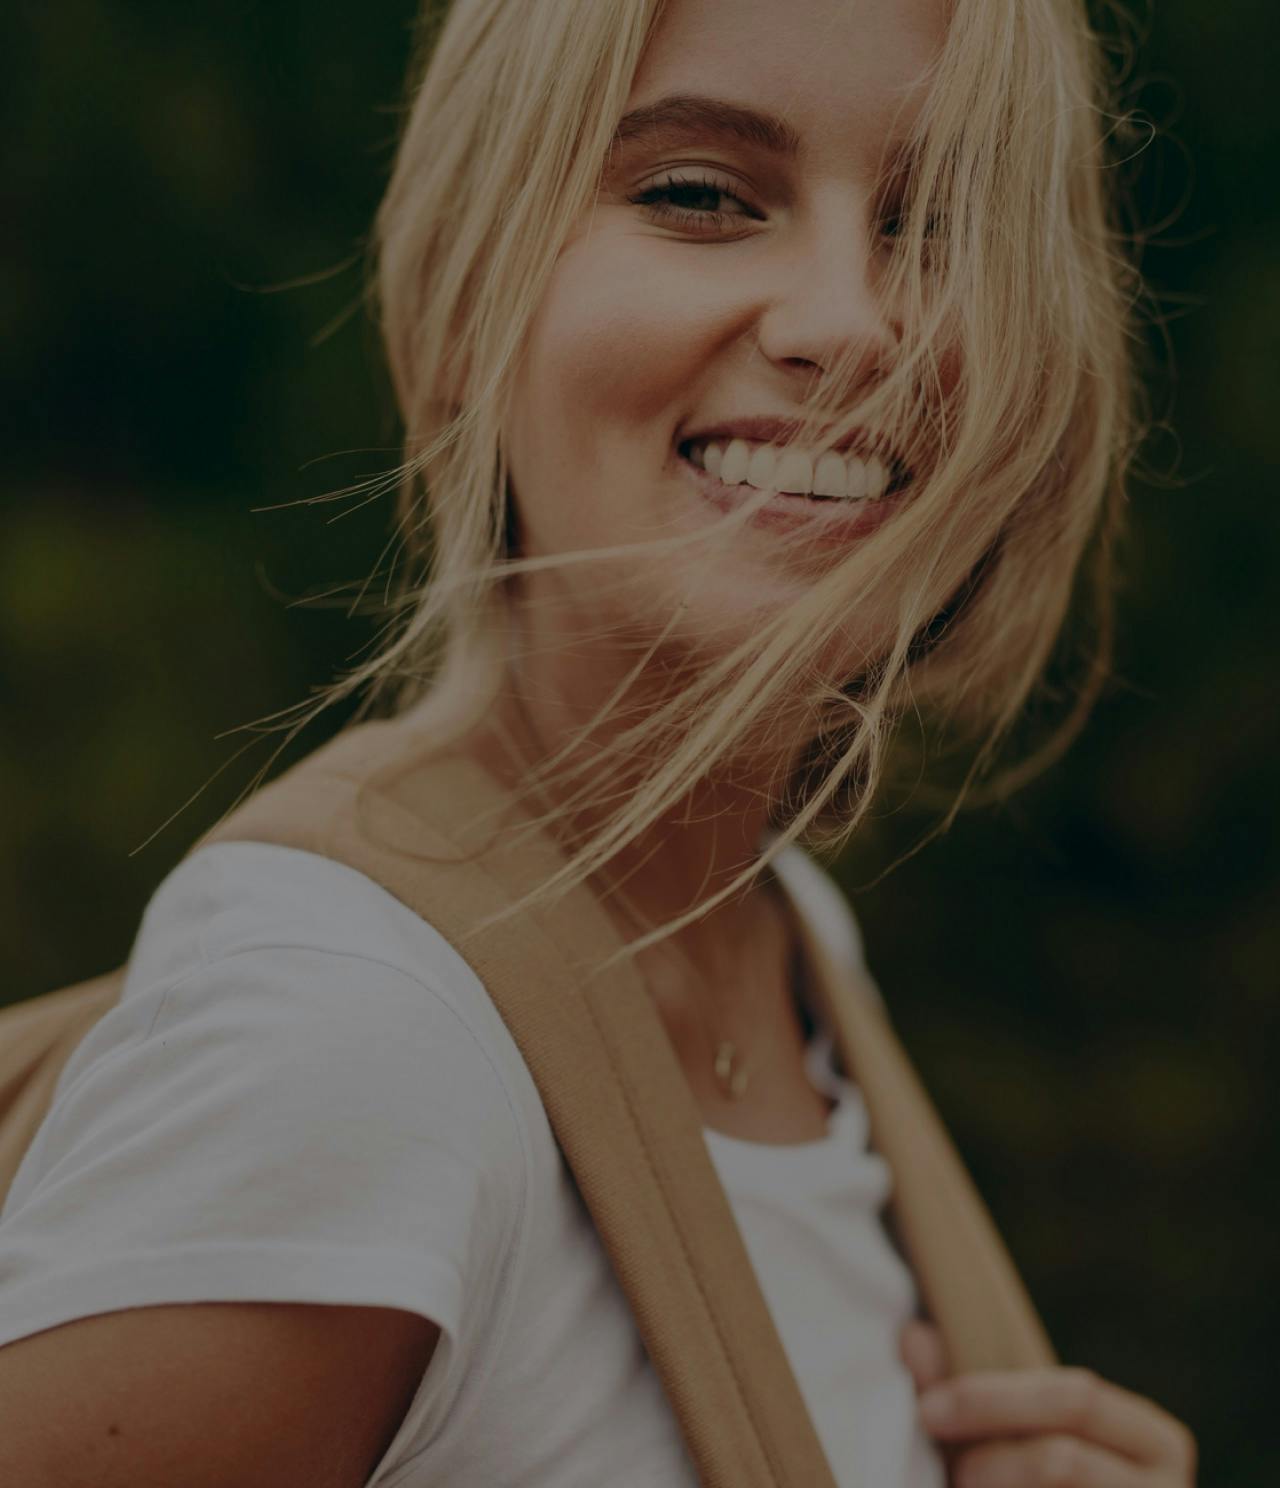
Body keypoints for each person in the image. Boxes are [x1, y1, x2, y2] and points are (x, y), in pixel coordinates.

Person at [0, 0, 1198, 1484]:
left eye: (946, 224)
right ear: (465, 300)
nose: (851, 322)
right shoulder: (356, 1036)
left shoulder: (786, 943)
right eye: (698, 195)